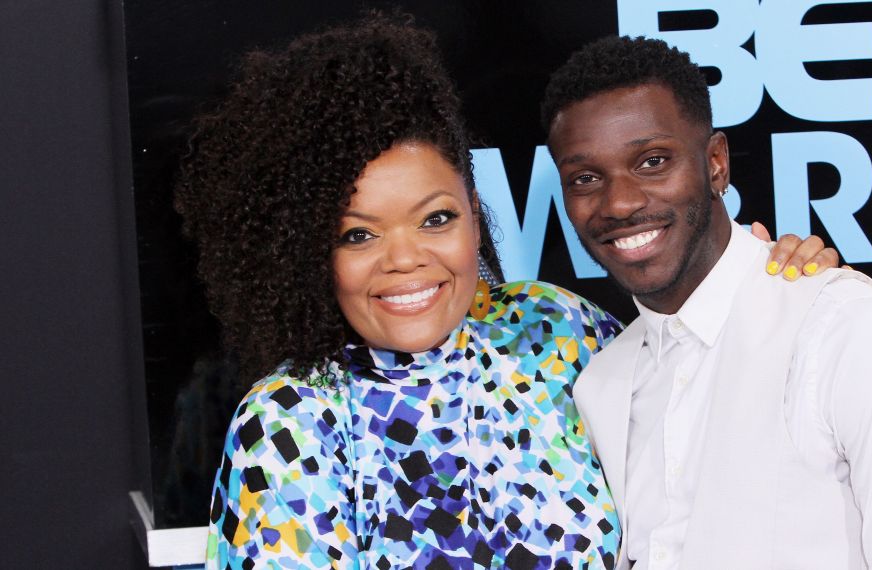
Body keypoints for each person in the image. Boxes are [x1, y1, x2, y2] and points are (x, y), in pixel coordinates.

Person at [176, 16, 836, 569]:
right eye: (358, 235)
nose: (407, 259)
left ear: (474, 211)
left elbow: (714, 427)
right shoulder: (290, 421)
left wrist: (771, 281)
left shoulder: (554, 330)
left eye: (436, 218)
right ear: (307, 252)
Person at [541, 35, 872, 569]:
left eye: (653, 161)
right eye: (585, 179)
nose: (620, 202)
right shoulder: (604, 382)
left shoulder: (849, 333)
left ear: (716, 164)